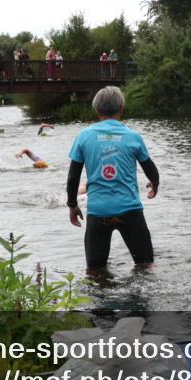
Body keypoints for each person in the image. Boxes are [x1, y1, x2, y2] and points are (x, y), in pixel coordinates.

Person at [66, 86, 159, 276]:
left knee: (94, 271)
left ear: (96, 110)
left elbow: (73, 176)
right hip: (130, 211)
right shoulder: (133, 137)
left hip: (98, 212)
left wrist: (72, 205)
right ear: (122, 107)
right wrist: (154, 183)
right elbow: (150, 167)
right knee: (146, 266)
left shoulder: (84, 137)